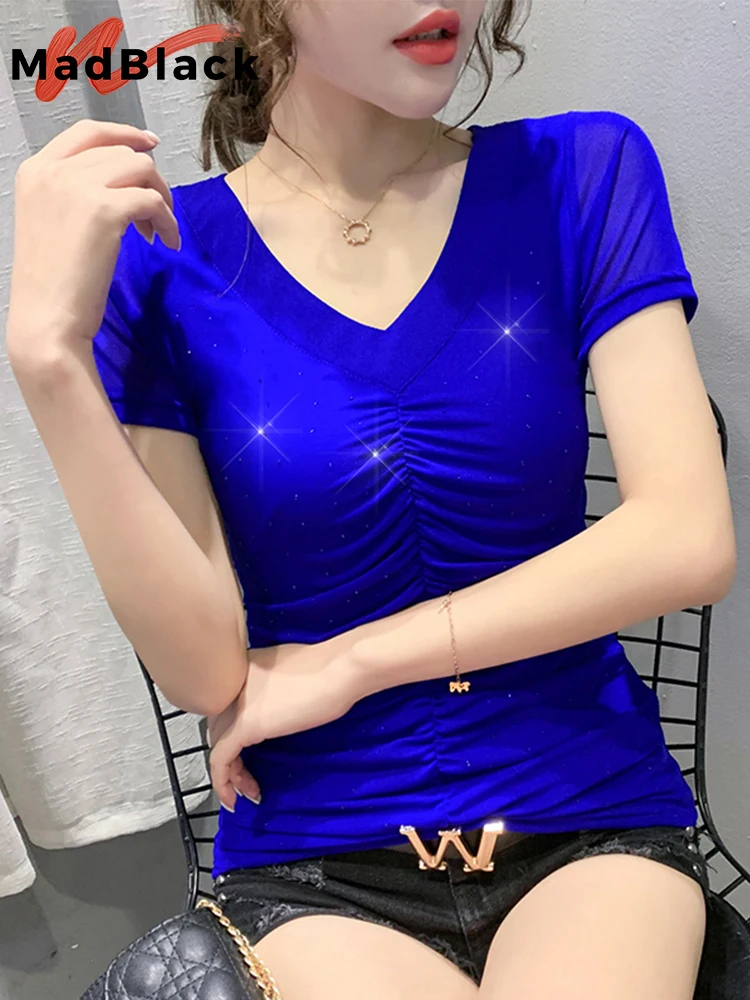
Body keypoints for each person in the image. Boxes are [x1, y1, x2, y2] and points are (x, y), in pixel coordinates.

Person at [6, 0, 736, 996]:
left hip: (586, 814)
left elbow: (687, 538)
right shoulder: (162, 252)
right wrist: (49, 363)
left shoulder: (582, 172)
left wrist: (353, 661)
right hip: (316, 859)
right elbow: (207, 671)